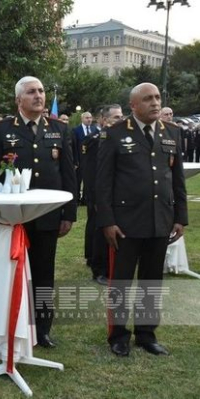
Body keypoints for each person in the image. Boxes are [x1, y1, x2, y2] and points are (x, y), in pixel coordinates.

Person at [0, 76, 77, 348]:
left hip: (47, 216)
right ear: (18, 100)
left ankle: (43, 328)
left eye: (41, 91)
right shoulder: (1, 130)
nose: (38, 96)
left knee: (44, 274)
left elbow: (68, 174)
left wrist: (68, 213)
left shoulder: (59, 128)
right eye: (31, 92)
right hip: (13, 218)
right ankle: (12, 325)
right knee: (12, 272)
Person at [96, 83, 187, 357]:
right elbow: (102, 183)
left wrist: (179, 216)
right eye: (148, 99)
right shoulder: (114, 134)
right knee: (121, 280)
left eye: (158, 98)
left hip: (160, 219)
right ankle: (118, 335)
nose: (155, 103)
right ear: (133, 105)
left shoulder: (172, 132)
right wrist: (107, 221)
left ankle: (146, 334)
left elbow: (177, 180)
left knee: (152, 280)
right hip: (125, 223)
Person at [80, 104, 123, 285]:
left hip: (116, 193)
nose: (120, 121)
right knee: (99, 232)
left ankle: (110, 265)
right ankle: (99, 270)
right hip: (99, 194)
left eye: (121, 117)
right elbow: (91, 172)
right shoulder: (96, 139)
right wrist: (96, 198)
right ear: (104, 120)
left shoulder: (119, 138)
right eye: (115, 118)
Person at [72, 111, 99, 205]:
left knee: (89, 181)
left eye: (90, 118)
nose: (89, 120)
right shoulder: (76, 130)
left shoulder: (95, 129)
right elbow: (74, 146)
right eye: (87, 118)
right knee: (78, 181)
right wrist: (75, 161)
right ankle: (77, 199)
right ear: (82, 119)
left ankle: (86, 199)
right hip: (80, 160)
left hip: (91, 161)